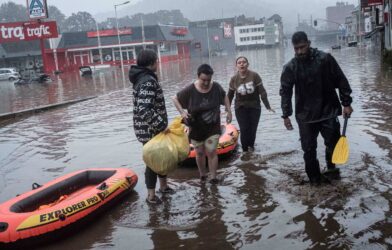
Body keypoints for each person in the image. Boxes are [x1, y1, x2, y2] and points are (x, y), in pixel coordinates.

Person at [280, 31, 353, 185]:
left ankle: (331, 168)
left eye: (302, 47)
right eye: (296, 49)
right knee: (308, 149)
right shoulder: (290, 67)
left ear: (309, 44)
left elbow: (341, 80)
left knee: (333, 142)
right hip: (305, 115)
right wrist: (286, 115)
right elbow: (285, 92)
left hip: (328, 110)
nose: (300, 52)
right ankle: (314, 180)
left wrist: (346, 103)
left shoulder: (325, 59)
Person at [173, 64, 232, 184]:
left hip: (212, 127)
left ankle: (213, 177)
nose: (206, 83)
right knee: (199, 152)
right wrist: (183, 112)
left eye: (208, 80)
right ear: (198, 77)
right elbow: (175, 99)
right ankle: (202, 175)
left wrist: (229, 110)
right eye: (203, 80)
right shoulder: (190, 89)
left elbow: (224, 96)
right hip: (196, 128)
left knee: (211, 151)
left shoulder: (216, 87)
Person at [129, 49, 174, 204]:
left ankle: (164, 187)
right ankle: (151, 196)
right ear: (152, 62)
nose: (158, 63)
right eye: (156, 60)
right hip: (150, 130)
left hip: (147, 129)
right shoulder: (147, 81)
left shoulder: (141, 78)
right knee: (152, 162)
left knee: (160, 158)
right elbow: (144, 109)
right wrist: (161, 125)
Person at [227, 56, 274, 153]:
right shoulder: (234, 79)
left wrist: (267, 106)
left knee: (253, 129)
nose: (242, 64)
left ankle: (251, 148)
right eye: (239, 62)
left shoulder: (254, 76)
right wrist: (228, 110)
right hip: (240, 107)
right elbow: (230, 95)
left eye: (244, 62)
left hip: (254, 106)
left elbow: (262, 92)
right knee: (244, 129)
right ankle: (245, 151)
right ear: (236, 66)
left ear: (247, 64)